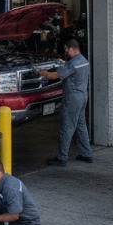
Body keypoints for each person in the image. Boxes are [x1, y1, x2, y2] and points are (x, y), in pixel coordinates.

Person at [39, 38, 91, 166]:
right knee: (81, 125)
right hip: (83, 95)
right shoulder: (84, 61)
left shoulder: (72, 64)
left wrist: (42, 72)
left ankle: (62, 157)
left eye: (66, 49)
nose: (65, 52)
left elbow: (54, 76)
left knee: (66, 127)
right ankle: (87, 154)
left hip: (72, 98)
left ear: (72, 49)